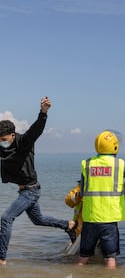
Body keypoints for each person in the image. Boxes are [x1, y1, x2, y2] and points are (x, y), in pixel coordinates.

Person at [0, 97, 76, 265]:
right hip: (24, 190)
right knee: (38, 220)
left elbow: (36, 130)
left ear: (12, 135)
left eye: (4, 140)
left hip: (31, 190)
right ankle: (69, 225)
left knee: (6, 218)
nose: (2, 143)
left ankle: (1, 259)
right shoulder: (2, 146)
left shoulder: (24, 142)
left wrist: (43, 112)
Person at [76, 130, 125, 269]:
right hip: (109, 220)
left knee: (83, 258)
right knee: (110, 258)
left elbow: (82, 189)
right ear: (115, 147)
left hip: (90, 218)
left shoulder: (86, 164)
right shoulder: (120, 164)